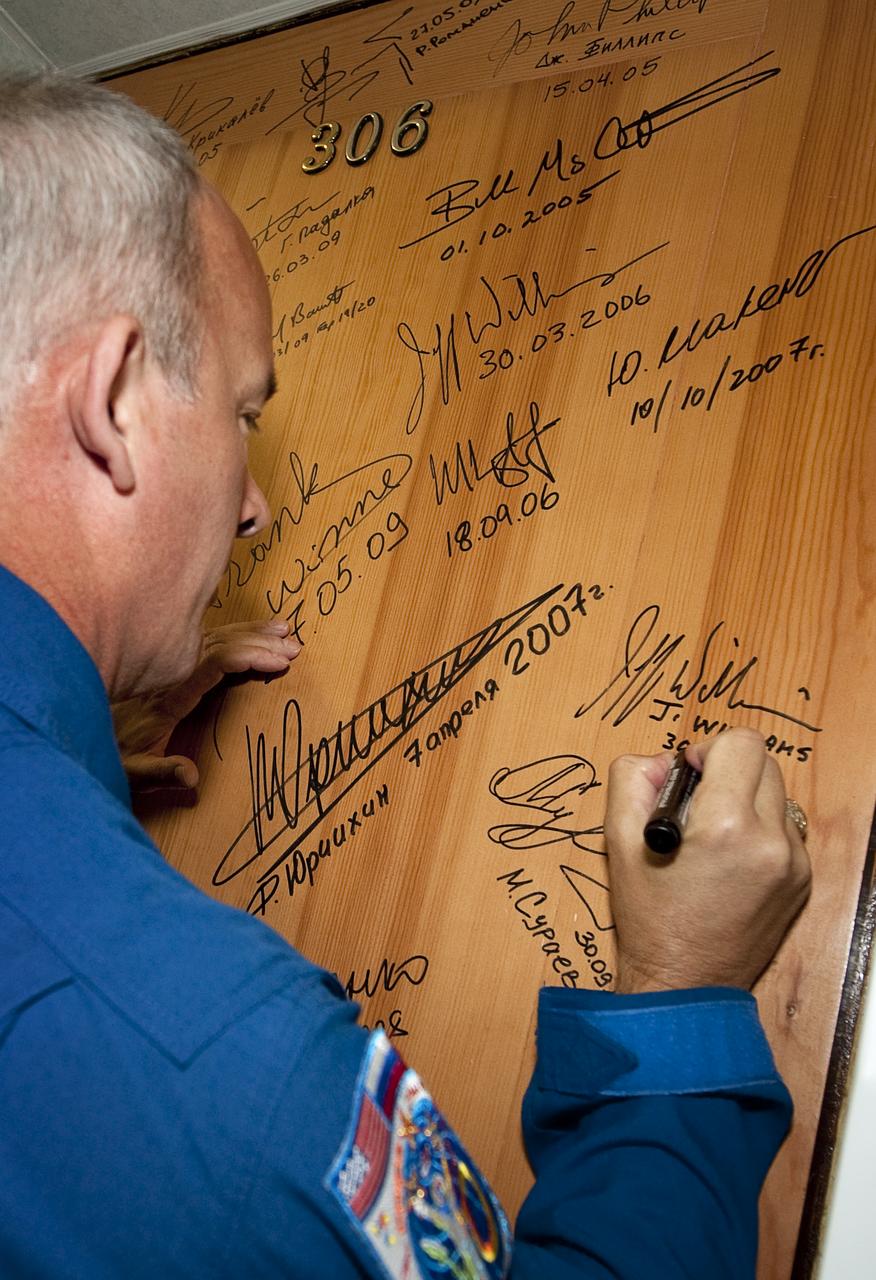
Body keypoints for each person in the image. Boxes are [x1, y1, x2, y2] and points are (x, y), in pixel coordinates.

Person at [0, 73, 811, 1279]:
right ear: (115, 401)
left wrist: (63, 741)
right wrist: (684, 983)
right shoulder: (228, 1075)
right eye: (240, 413)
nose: (255, 501)